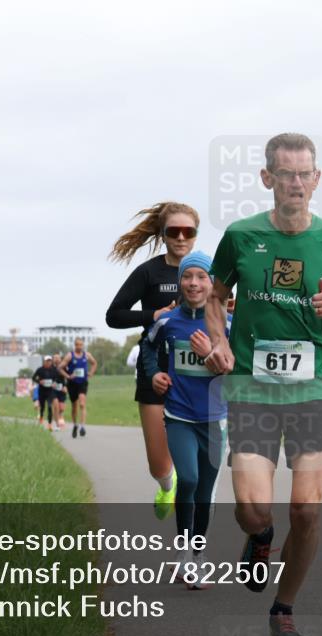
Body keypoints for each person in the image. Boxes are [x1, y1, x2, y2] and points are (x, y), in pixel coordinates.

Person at [203, 133, 322, 636]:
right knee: (253, 508)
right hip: (253, 389)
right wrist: (218, 340)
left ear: (316, 180)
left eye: (305, 174)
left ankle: (283, 610)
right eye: (286, 174)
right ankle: (259, 538)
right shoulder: (240, 236)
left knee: (306, 509)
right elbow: (216, 294)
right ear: (267, 179)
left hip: (313, 387)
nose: (296, 183)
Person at [106, 201, 199, 519]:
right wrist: (153, 314)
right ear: (163, 234)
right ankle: (165, 484)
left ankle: (193, 529)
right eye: (175, 231)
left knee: (197, 468)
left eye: (189, 231)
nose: (182, 237)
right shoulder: (149, 272)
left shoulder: (205, 271)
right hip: (154, 368)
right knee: (159, 464)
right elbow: (114, 315)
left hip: (195, 374)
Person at [145, 251, 230, 589]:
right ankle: (183, 551)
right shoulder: (168, 321)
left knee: (206, 492)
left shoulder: (227, 323)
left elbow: (236, 366)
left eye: (201, 277)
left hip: (214, 418)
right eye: (187, 276)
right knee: (190, 480)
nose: (194, 283)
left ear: (212, 283)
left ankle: (197, 555)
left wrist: (212, 353)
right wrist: (154, 375)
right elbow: (148, 349)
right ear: (180, 282)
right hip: (178, 415)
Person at [65, 337, 98, 438]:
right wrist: (68, 376)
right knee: (74, 406)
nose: (79, 347)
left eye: (81, 345)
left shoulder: (86, 355)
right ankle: (75, 425)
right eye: (77, 345)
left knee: (82, 404)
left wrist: (91, 373)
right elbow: (60, 367)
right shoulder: (70, 355)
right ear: (75, 345)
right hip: (72, 384)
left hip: (83, 382)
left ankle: (82, 426)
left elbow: (94, 363)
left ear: (83, 345)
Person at [32, 355, 60, 431]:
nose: (48, 362)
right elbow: (33, 377)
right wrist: (39, 381)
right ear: (44, 361)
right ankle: (41, 417)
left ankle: (49, 424)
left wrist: (54, 382)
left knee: (50, 407)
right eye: (47, 361)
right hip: (42, 391)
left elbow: (57, 378)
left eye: (50, 361)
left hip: (50, 391)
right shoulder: (40, 369)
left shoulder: (53, 370)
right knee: (42, 407)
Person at [51, 353, 67, 431]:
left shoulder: (64, 367)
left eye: (58, 357)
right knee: (56, 406)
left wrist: (66, 386)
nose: (57, 359)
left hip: (62, 390)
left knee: (61, 408)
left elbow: (68, 377)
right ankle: (57, 424)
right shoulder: (50, 368)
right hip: (53, 390)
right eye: (55, 357)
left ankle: (60, 416)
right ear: (53, 359)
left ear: (61, 359)